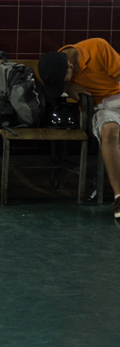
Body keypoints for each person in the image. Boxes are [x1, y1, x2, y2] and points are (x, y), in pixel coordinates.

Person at [39, 39, 120, 220]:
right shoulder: (53, 64)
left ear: (71, 66)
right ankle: (119, 196)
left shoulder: (98, 48)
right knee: (109, 129)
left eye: (64, 81)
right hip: (100, 108)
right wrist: (68, 86)